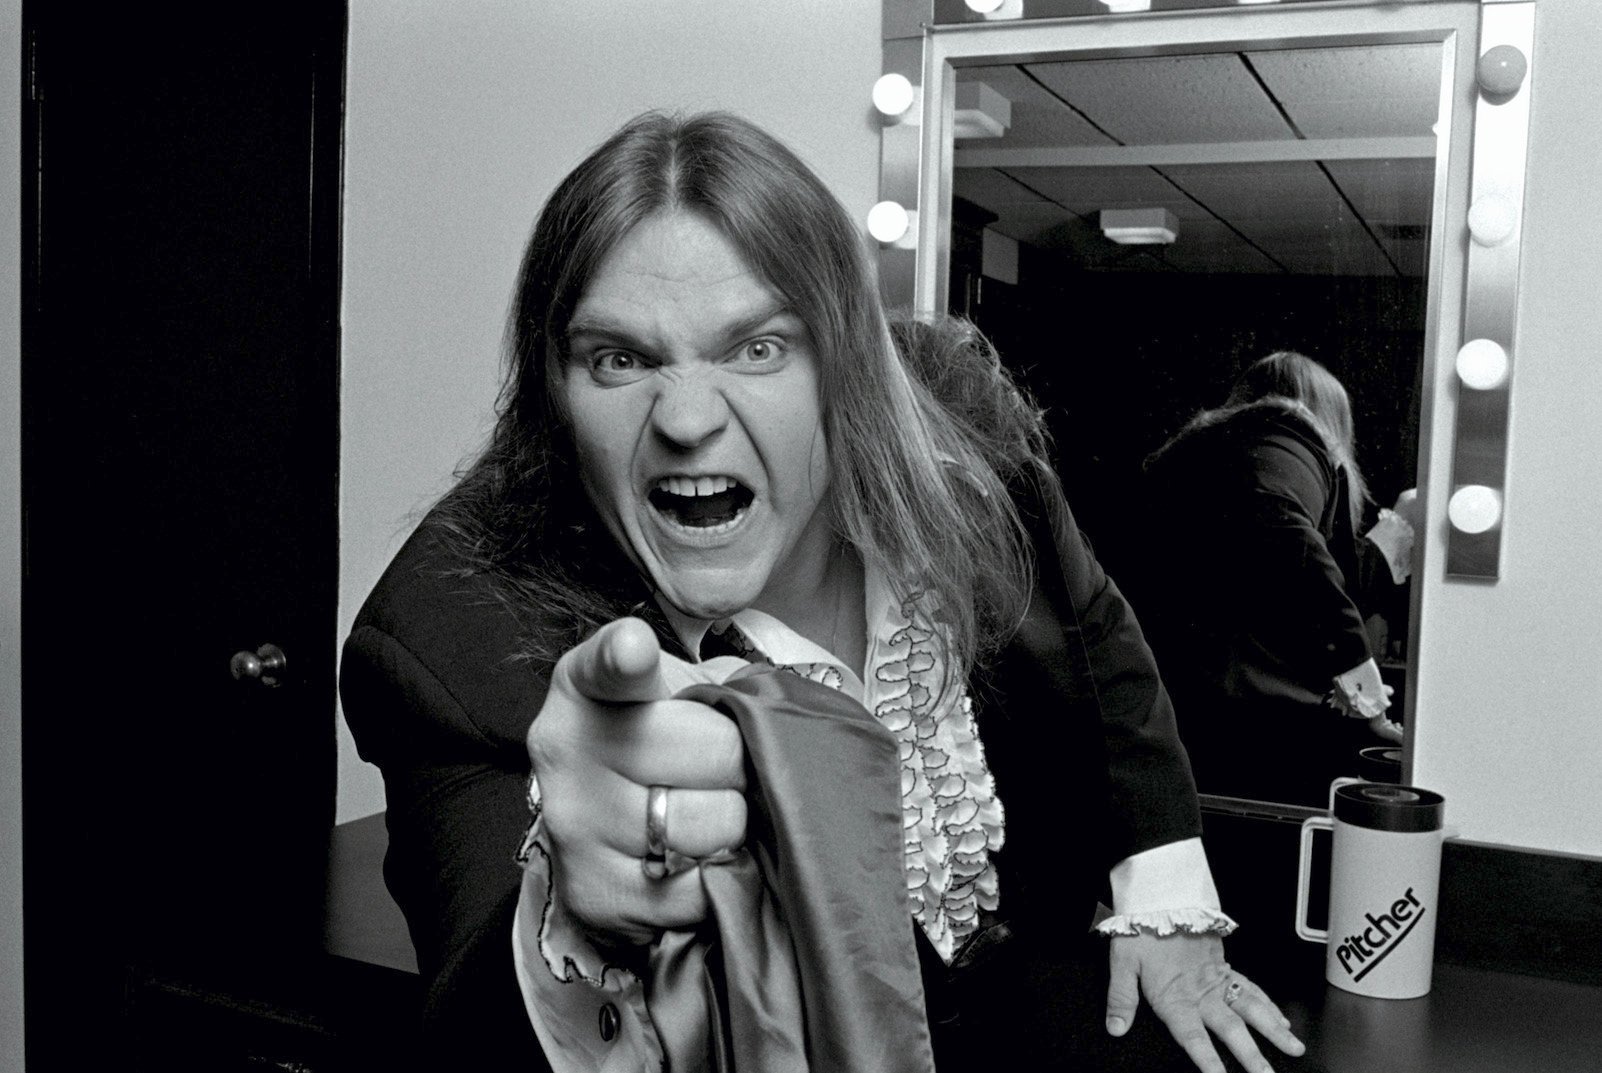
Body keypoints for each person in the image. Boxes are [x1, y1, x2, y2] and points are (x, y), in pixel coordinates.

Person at [340, 111, 1304, 1071]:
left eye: (757, 347)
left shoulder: (977, 470)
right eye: (619, 359)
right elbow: (471, 1035)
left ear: (840, 360)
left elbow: (1099, 641)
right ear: (555, 393)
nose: (684, 418)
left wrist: (1168, 899)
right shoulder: (448, 637)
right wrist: (571, 913)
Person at [1136, 351, 1408, 808]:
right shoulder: (1287, 442)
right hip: (1258, 718)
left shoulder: (1202, 454)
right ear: (1326, 416)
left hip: (1174, 698)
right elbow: (1296, 547)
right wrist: (1368, 699)